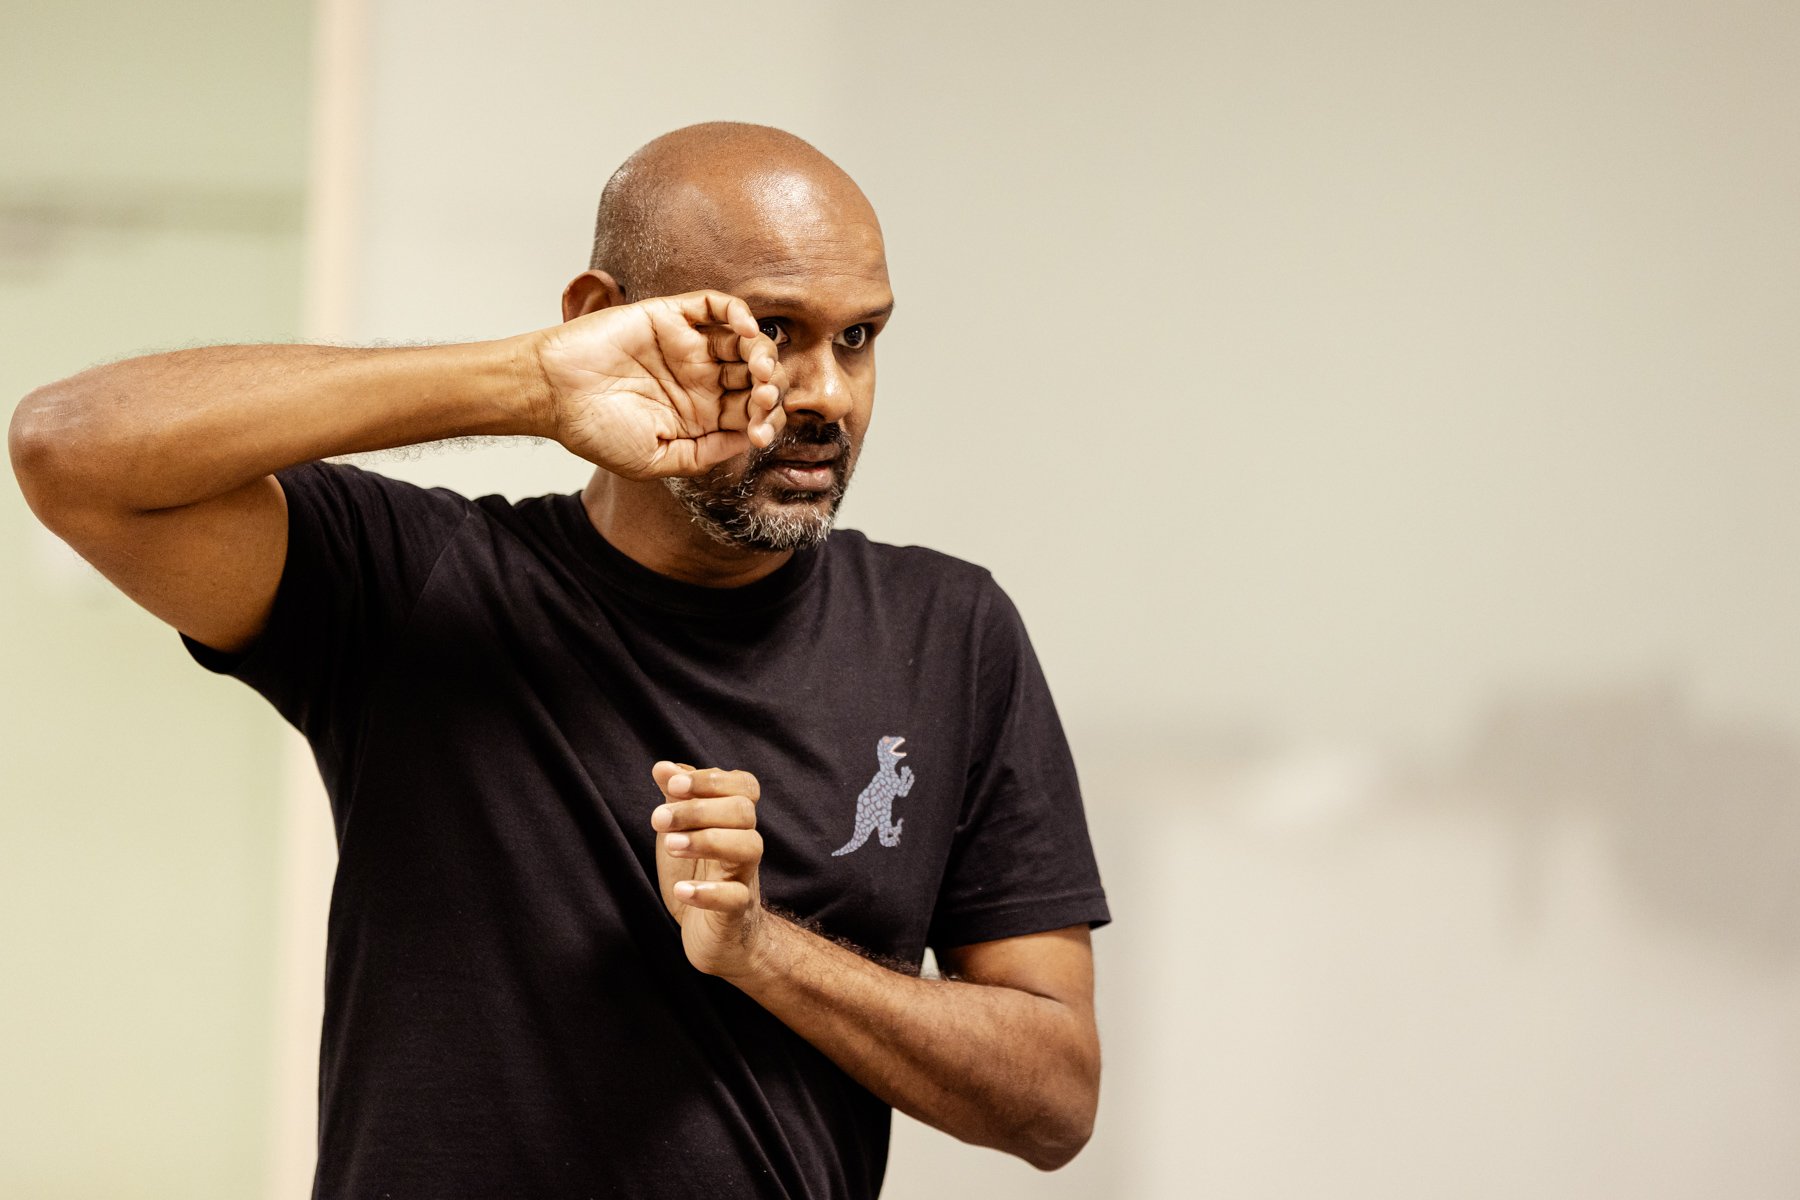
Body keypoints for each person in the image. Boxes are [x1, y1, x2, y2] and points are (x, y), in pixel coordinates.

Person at [9, 122, 1109, 1198]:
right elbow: (72, 449)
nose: (826, 394)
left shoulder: (947, 631)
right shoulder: (419, 588)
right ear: (600, 316)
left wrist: (765, 950)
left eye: (859, 338)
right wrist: (532, 384)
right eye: (773, 331)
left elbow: (1053, 1101)